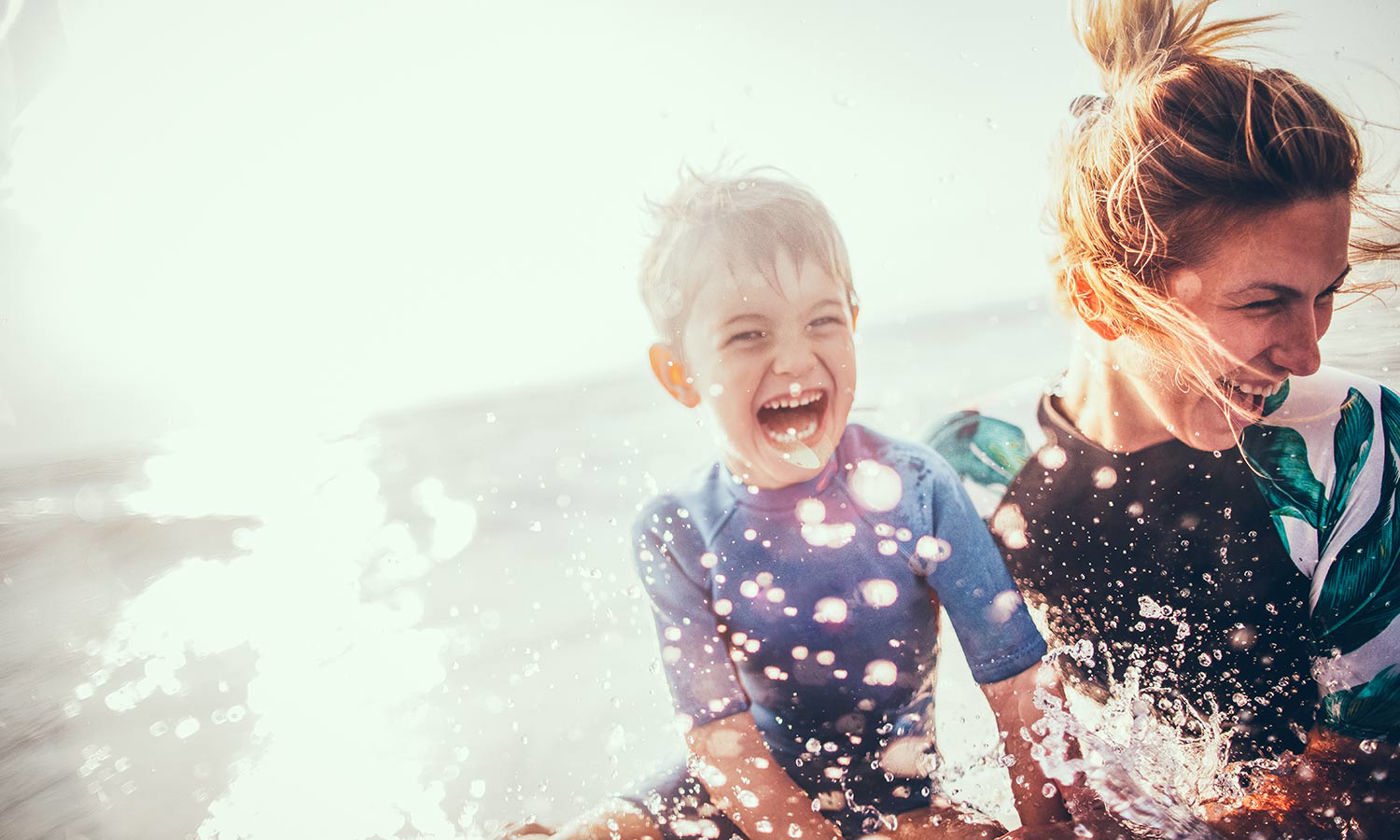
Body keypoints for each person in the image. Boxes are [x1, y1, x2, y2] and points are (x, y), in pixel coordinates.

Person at [925, 1, 1399, 836]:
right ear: (1099, 298)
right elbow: (886, 752)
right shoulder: (969, 468)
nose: (1307, 352)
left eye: (1324, 295)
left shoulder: (1350, 443)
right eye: (1264, 304)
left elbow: (1373, 778)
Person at [504, 169, 1079, 840]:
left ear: (854, 326)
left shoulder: (915, 488)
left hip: (893, 803)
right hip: (718, 796)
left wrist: (1050, 825)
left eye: (822, 321)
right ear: (680, 374)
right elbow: (721, 740)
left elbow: (1017, 680)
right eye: (748, 335)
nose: (796, 358)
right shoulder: (679, 530)